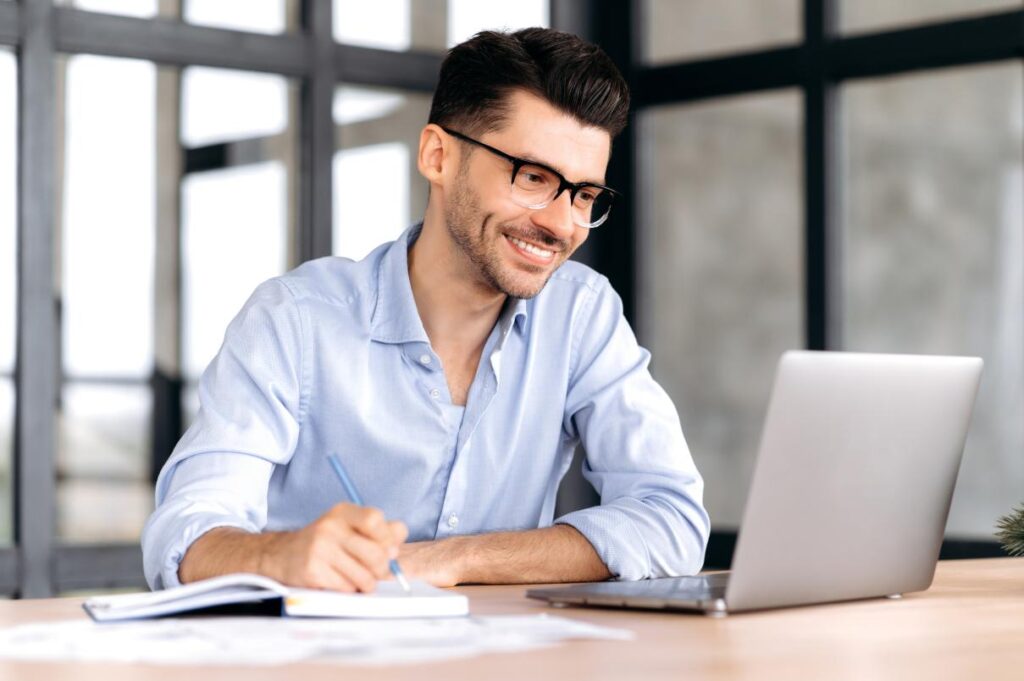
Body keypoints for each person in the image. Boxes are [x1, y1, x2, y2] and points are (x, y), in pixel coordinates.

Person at [142, 27, 709, 593]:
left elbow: (670, 518)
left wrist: (453, 560)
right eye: (533, 177)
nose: (562, 225)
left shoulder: (582, 316)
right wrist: (277, 557)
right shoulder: (294, 320)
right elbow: (185, 535)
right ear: (437, 156)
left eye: (584, 195)